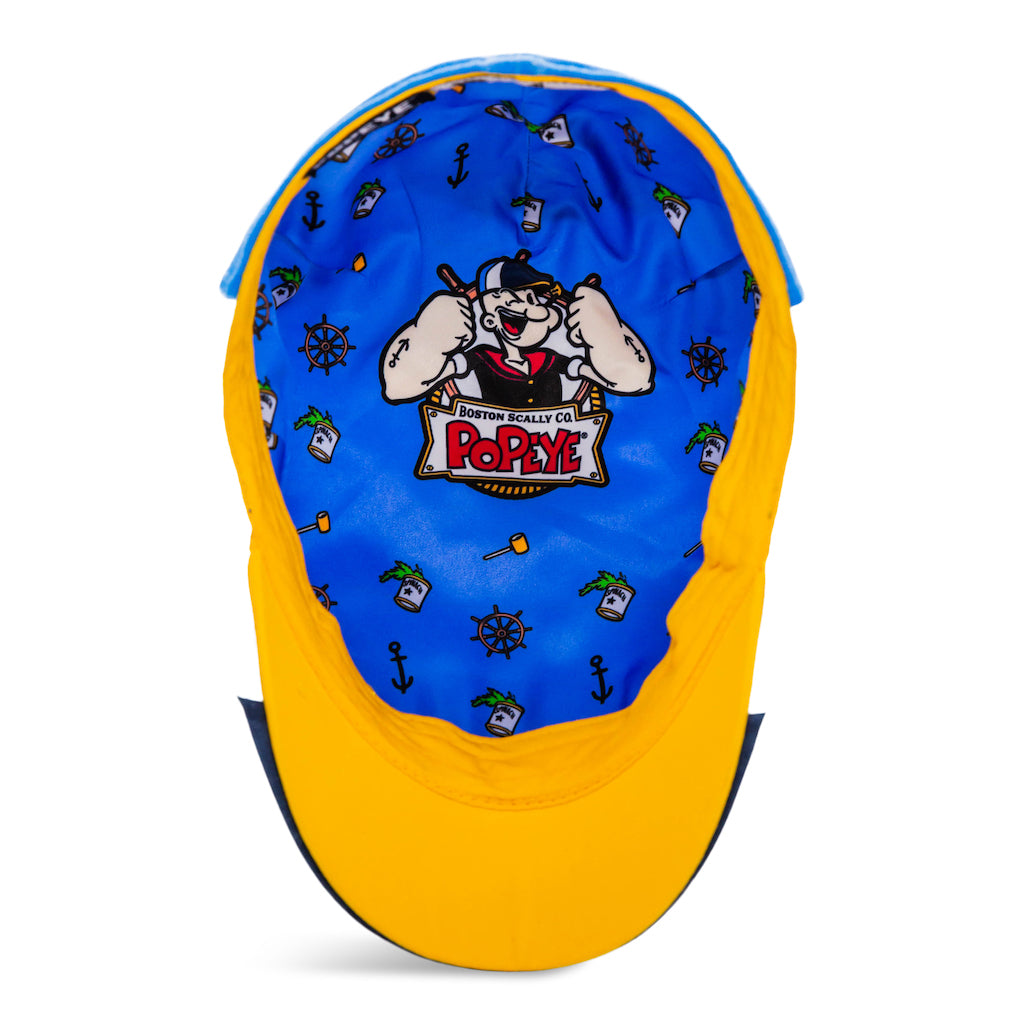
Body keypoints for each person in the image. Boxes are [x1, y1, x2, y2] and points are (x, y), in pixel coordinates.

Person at [380, 255, 654, 407]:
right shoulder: (479, 356)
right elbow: (400, 389)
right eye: (510, 300)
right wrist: (428, 339)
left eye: (533, 298)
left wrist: (606, 338)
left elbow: (632, 383)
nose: (526, 306)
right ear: (488, 322)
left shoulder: (552, 359)